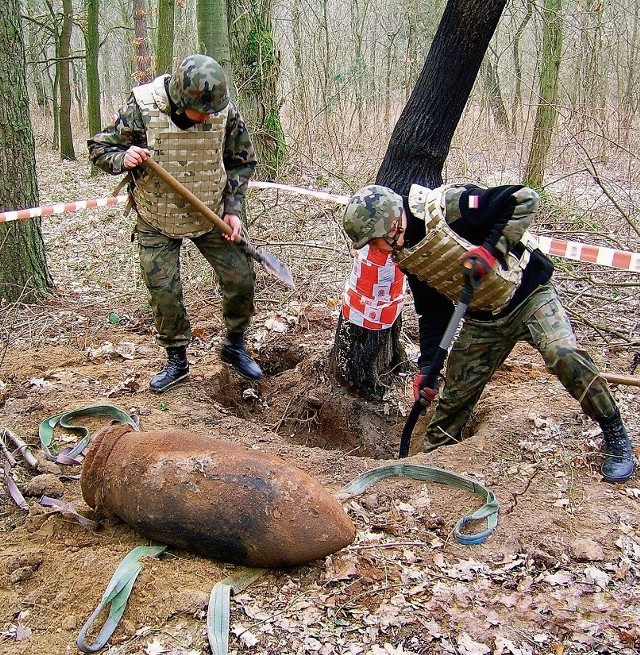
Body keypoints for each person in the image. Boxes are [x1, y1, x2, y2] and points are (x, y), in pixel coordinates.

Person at [342, 183, 635, 483]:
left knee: (563, 354)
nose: (376, 249)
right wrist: (428, 368)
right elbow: (432, 310)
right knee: (452, 403)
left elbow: (524, 200)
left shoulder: (448, 207)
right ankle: (430, 466)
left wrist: (491, 250)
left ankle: (614, 432)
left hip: (529, 295)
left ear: (390, 223)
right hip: (482, 320)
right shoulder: (407, 255)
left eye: (375, 241)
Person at [88, 54, 262, 392]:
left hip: (210, 211)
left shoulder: (222, 110)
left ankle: (235, 345)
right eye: (203, 113)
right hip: (157, 215)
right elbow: (99, 148)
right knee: (164, 291)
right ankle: (177, 360)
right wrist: (122, 158)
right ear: (182, 102)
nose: (209, 118)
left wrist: (232, 208)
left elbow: (241, 161)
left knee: (241, 275)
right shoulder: (142, 107)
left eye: (214, 112)